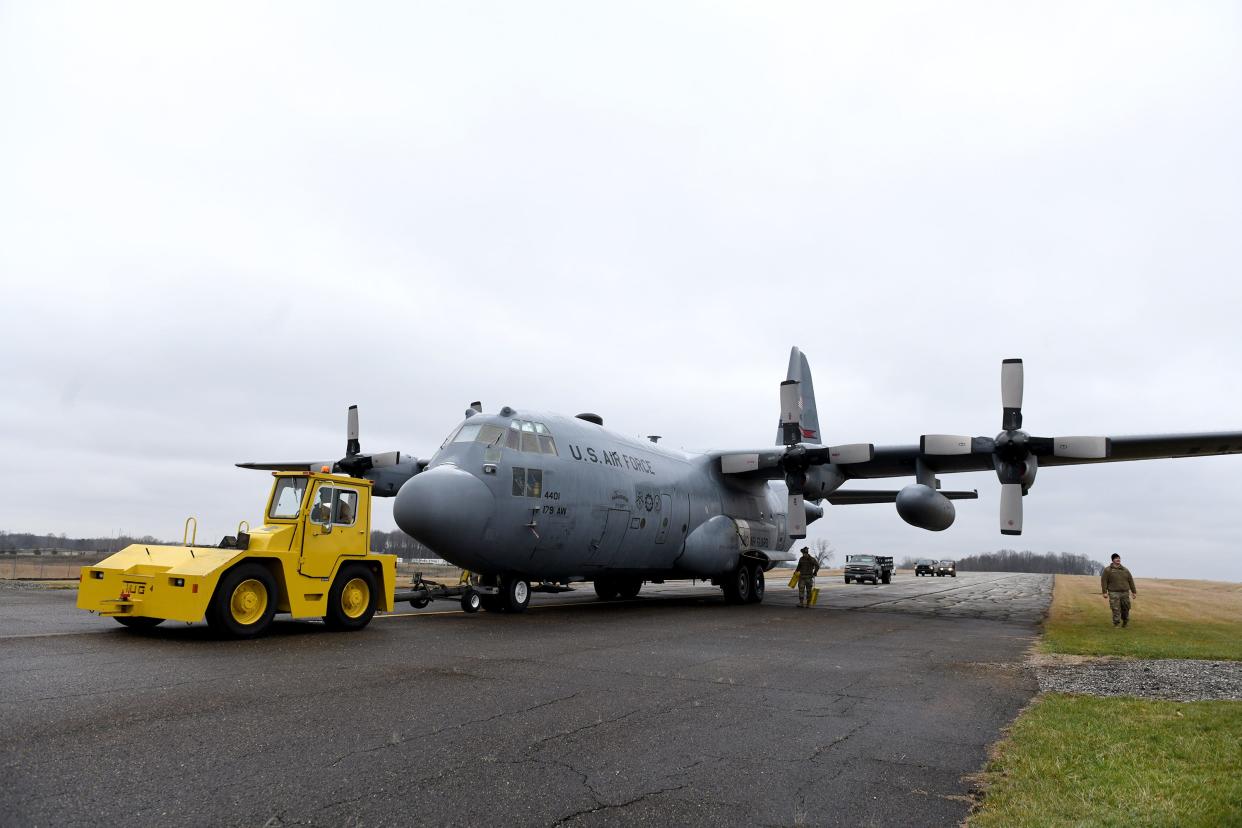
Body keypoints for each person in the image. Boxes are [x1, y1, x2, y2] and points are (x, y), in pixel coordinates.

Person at [1100, 553, 1137, 627]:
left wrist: (1134, 592)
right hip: (1113, 592)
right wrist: (1104, 592)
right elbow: (1104, 581)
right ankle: (1116, 623)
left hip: (1125, 593)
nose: (1118, 559)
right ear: (1113, 560)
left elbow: (1130, 580)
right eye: (1116, 558)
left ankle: (1125, 623)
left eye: (1119, 558)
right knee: (1115, 608)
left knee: (1126, 608)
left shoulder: (1125, 570)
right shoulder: (1108, 570)